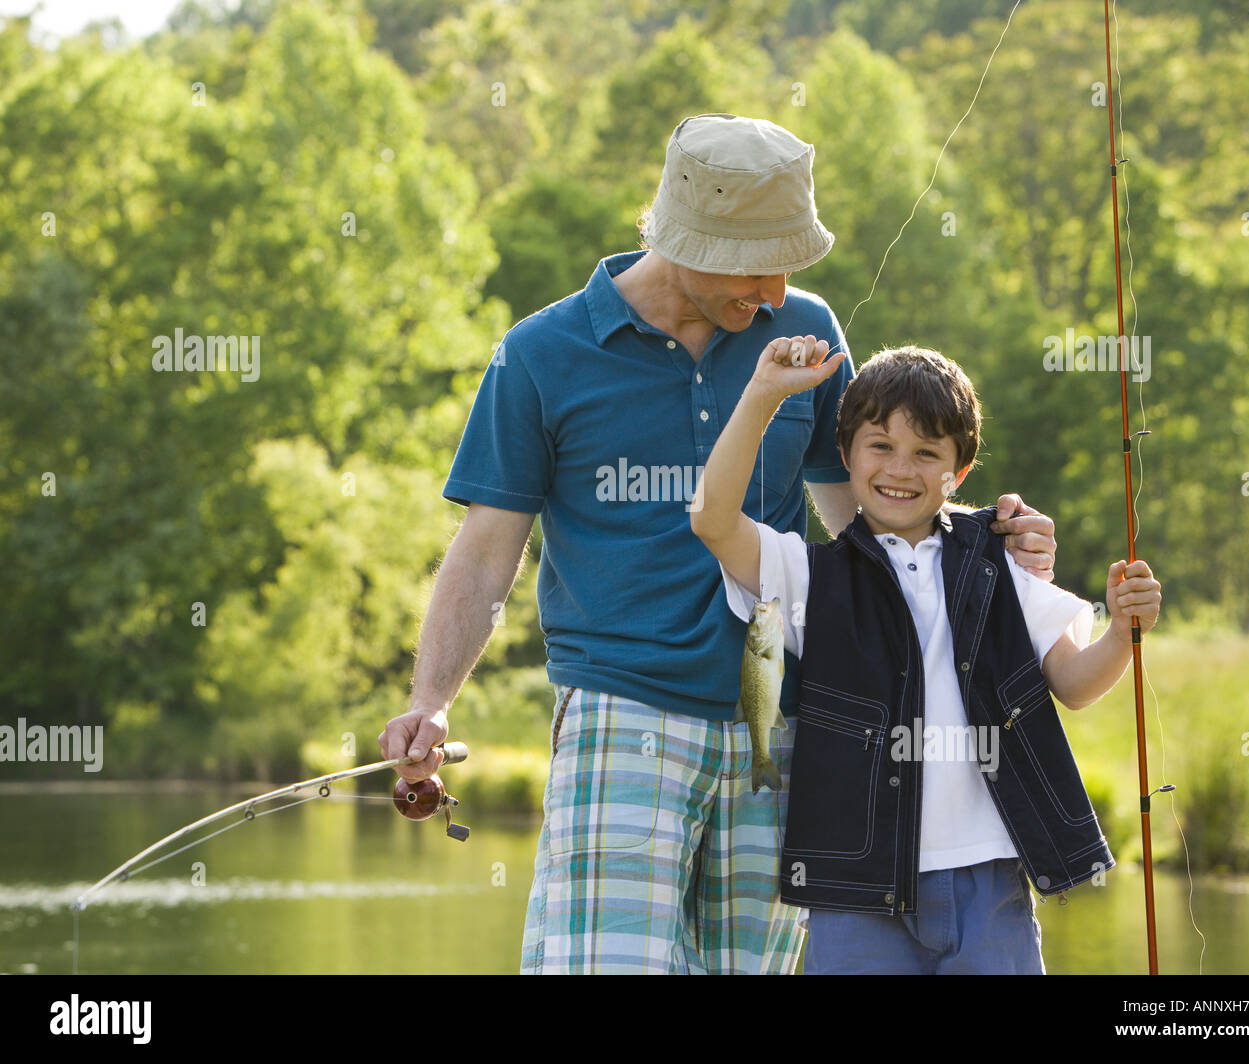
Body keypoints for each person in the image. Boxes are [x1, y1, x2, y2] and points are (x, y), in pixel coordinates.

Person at [379, 113, 1062, 974]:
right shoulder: (540, 355)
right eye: (756, 262)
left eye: (789, 262)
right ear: (682, 240)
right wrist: (433, 699)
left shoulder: (806, 330)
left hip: (777, 725)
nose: (777, 289)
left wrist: (986, 554)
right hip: (622, 716)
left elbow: (866, 520)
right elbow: (484, 550)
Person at [691, 338, 1161, 974]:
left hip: (990, 876)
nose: (901, 469)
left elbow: (1074, 681)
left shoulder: (1001, 564)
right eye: (880, 446)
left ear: (958, 472)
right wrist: (762, 396)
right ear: (846, 454)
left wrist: (1122, 632)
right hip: (854, 888)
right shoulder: (807, 576)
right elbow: (713, 519)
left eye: (927, 453)